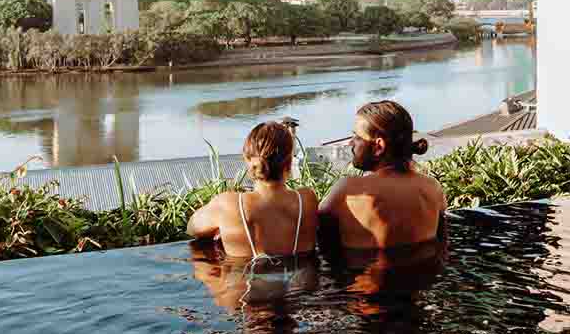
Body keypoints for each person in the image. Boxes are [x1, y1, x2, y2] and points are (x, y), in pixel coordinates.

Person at [319, 100, 446, 250]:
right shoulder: (433, 188)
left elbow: (311, 228)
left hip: (365, 273)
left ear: (378, 147)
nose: (351, 143)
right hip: (423, 272)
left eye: (357, 137)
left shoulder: (349, 189)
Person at [187, 119, 319, 260]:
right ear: (289, 163)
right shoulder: (307, 199)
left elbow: (192, 227)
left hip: (244, 280)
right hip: (299, 280)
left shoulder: (228, 204)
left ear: (248, 160)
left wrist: (224, 224)